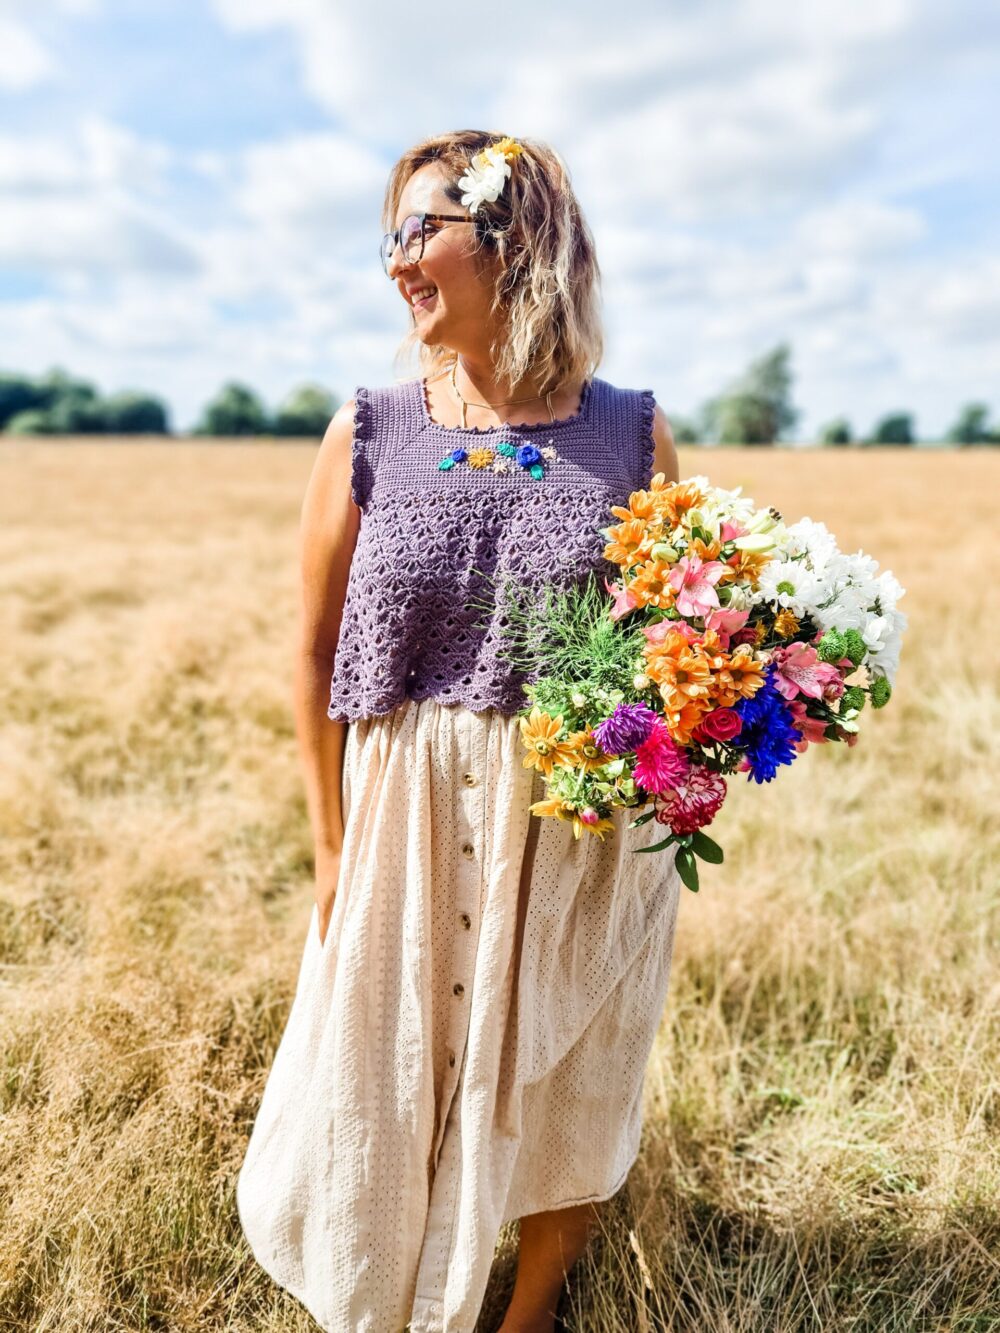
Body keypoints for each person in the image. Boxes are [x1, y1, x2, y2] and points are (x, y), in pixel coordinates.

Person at [236, 130, 683, 1333]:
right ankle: (385, 1297)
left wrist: (704, 745)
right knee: (382, 1075)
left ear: (511, 240)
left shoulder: (632, 432)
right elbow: (314, 646)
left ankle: (527, 1309)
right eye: (391, 237)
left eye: (416, 231)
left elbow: (678, 636)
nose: (395, 263)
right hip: (407, 809)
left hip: (579, 816)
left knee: (571, 1071)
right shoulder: (371, 427)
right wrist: (330, 846)